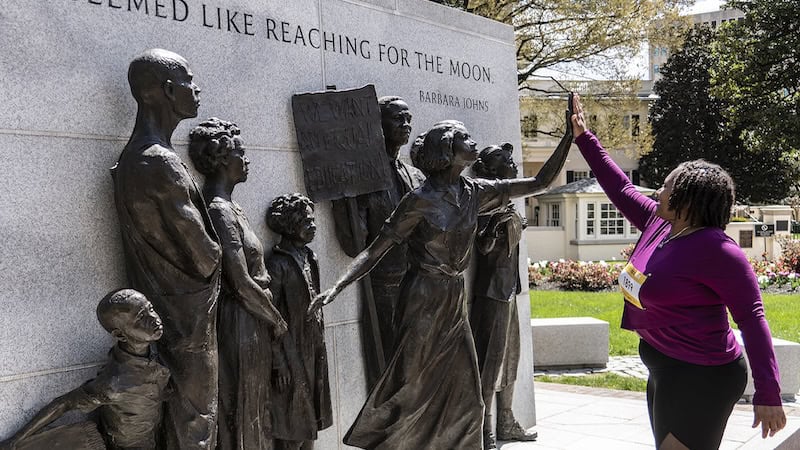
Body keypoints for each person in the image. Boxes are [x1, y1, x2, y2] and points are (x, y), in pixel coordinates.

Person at [309, 117, 571, 449]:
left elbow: (540, 182)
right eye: (464, 137)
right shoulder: (420, 199)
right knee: (410, 390)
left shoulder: (475, 192)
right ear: (447, 149)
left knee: (470, 403)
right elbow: (375, 250)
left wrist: (568, 137)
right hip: (421, 298)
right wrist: (337, 286)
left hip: (453, 300)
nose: (473, 141)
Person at [570, 94, 786, 449]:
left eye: (668, 186)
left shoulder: (719, 252)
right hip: (664, 367)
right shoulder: (660, 223)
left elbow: (752, 318)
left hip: (702, 374)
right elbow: (621, 188)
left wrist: (769, 392)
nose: (659, 191)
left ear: (687, 198)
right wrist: (585, 138)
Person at [111, 49, 222, 450]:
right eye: (190, 80)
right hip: (186, 324)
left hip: (173, 319)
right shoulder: (159, 162)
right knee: (195, 425)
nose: (197, 89)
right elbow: (207, 254)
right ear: (170, 90)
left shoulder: (138, 158)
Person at [187, 118, 288, 450]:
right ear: (221, 158)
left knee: (257, 408)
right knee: (243, 409)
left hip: (253, 321)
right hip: (240, 323)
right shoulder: (218, 211)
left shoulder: (234, 208)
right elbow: (241, 282)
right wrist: (277, 320)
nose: (247, 159)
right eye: (240, 153)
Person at [330, 96, 425, 387]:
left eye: (408, 118)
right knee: (386, 371)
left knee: (417, 367)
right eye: (398, 119)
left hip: (420, 283)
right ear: (377, 125)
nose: (405, 125)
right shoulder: (363, 178)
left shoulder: (415, 176)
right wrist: (345, 198)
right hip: (384, 288)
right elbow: (353, 245)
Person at [0, 289, 169, 450]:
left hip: (163, 431)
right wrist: (15, 440)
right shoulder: (114, 383)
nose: (153, 318)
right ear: (120, 335)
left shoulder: (158, 351)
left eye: (150, 309)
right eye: (140, 318)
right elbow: (64, 403)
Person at [470, 143, 537, 449]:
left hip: (509, 290)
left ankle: (506, 421)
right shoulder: (486, 204)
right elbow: (481, 247)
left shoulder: (509, 204)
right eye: (504, 160)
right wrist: (495, 228)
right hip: (492, 293)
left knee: (512, 358)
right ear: (491, 171)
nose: (512, 162)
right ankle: (485, 431)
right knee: (490, 364)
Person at [265, 194, 333, 450]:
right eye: (306, 221)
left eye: (313, 220)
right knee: (292, 426)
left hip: (313, 351)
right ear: (290, 225)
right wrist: (278, 362)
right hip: (291, 353)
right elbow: (270, 317)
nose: (313, 225)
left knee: (311, 424)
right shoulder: (277, 264)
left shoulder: (311, 257)